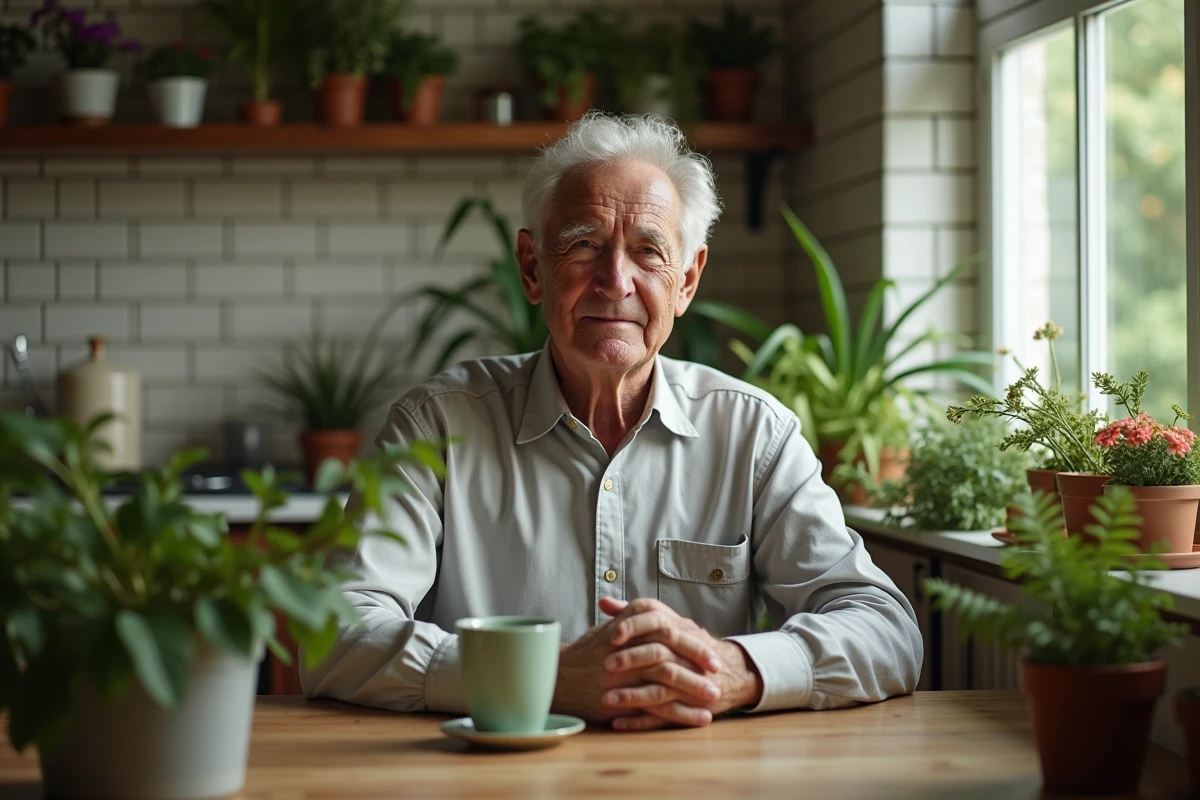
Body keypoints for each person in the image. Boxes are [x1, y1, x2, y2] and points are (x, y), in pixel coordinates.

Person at [301, 113, 922, 731]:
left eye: (648, 252)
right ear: (533, 267)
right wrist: (542, 677)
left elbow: (885, 629)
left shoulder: (754, 435)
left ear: (687, 280)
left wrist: (733, 668)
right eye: (583, 244)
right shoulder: (437, 425)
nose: (614, 280)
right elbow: (334, 632)